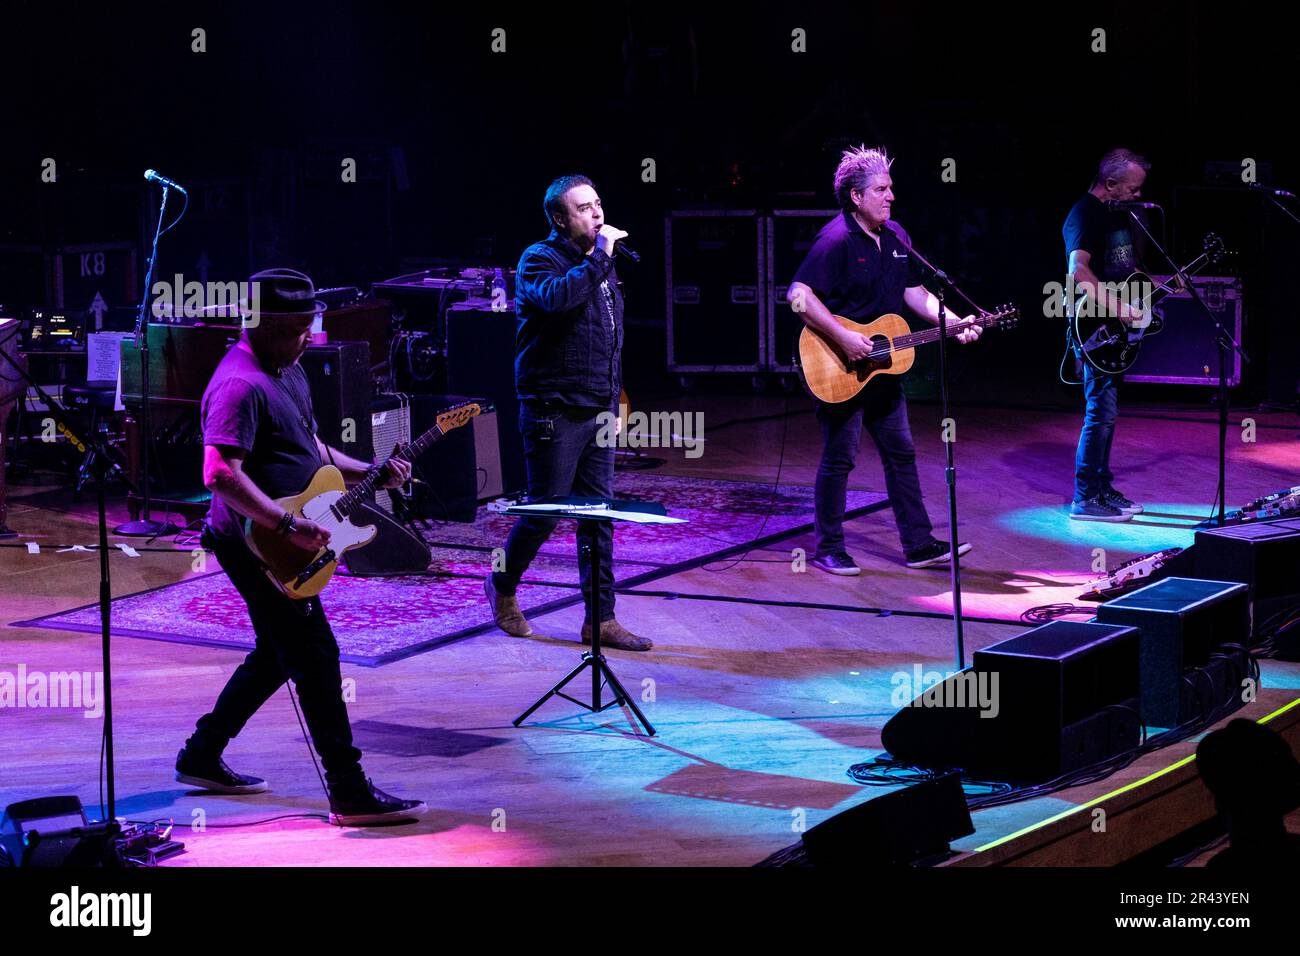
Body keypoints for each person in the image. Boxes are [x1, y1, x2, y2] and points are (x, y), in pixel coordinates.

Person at [176, 267, 426, 826]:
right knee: (314, 655)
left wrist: (370, 468)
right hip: (254, 544)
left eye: (308, 328)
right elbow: (218, 473)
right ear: (261, 323)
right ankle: (348, 791)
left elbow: (306, 443)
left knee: (277, 651)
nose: (304, 341)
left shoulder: (286, 368)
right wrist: (284, 526)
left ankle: (201, 753)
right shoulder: (239, 384)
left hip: (282, 533)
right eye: (294, 331)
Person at [787, 146, 979, 576]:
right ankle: (828, 548)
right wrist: (842, 336)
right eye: (881, 189)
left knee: (902, 454)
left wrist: (951, 321)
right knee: (840, 458)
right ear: (856, 196)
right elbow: (798, 295)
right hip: (837, 364)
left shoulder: (897, 237)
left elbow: (913, 292)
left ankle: (918, 544)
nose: (891, 196)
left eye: (891, 188)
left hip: (882, 369)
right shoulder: (835, 240)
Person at [484, 175, 651, 650]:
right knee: (544, 513)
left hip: (596, 406)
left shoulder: (599, 266)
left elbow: (611, 337)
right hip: (553, 410)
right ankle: (500, 583)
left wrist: (615, 399)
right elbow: (557, 301)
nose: (597, 214)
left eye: (598, 204)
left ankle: (601, 619)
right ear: (560, 218)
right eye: (584, 208)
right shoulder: (540, 260)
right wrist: (600, 257)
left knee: (598, 515)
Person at [1063, 148, 1151, 521]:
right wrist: (1120, 310)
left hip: (1116, 331)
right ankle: (1085, 498)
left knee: (1107, 413)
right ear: (1110, 184)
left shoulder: (1117, 216)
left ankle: (1101, 487)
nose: (1138, 195)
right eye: (1132, 188)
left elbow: (1121, 272)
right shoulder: (1084, 214)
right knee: (1099, 412)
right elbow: (1079, 273)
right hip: (1095, 329)